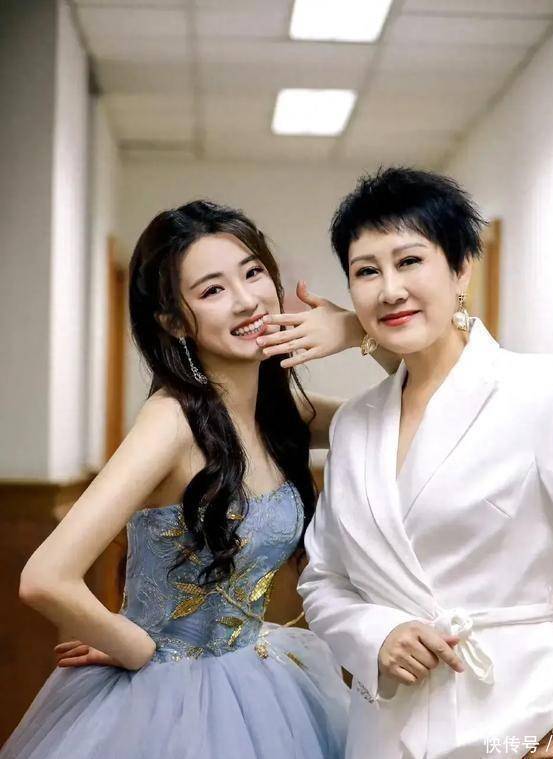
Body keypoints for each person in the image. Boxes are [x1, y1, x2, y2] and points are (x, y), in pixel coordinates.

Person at [1, 199, 389, 759]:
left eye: (252, 273)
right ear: (173, 321)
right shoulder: (172, 420)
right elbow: (45, 576)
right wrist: (137, 647)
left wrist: (355, 330)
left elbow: (408, 407)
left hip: (259, 676)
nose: (247, 300)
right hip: (166, 705)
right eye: (212, 290)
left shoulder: (281, 412)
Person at [297, 167, 553, 759]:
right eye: (366, 271)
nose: (389, 289)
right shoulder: (354, 423)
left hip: (515, 720)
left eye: (410, 261)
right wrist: (376, 634)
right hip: (383, 730)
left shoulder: (541, 391)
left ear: (461, 269)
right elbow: (323, 578)